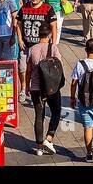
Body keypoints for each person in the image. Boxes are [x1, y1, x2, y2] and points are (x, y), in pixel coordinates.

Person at [27, 20, 63, 156]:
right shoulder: (53, 48)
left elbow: (29, 70)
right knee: (56, 111)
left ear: (38, 34)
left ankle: (39, 147)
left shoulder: (32, 49)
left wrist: (26, 87)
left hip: (36, 87)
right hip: (52, 87)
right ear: (48, 35)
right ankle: (49, 137)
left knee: (39, 115)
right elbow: (59, 64)